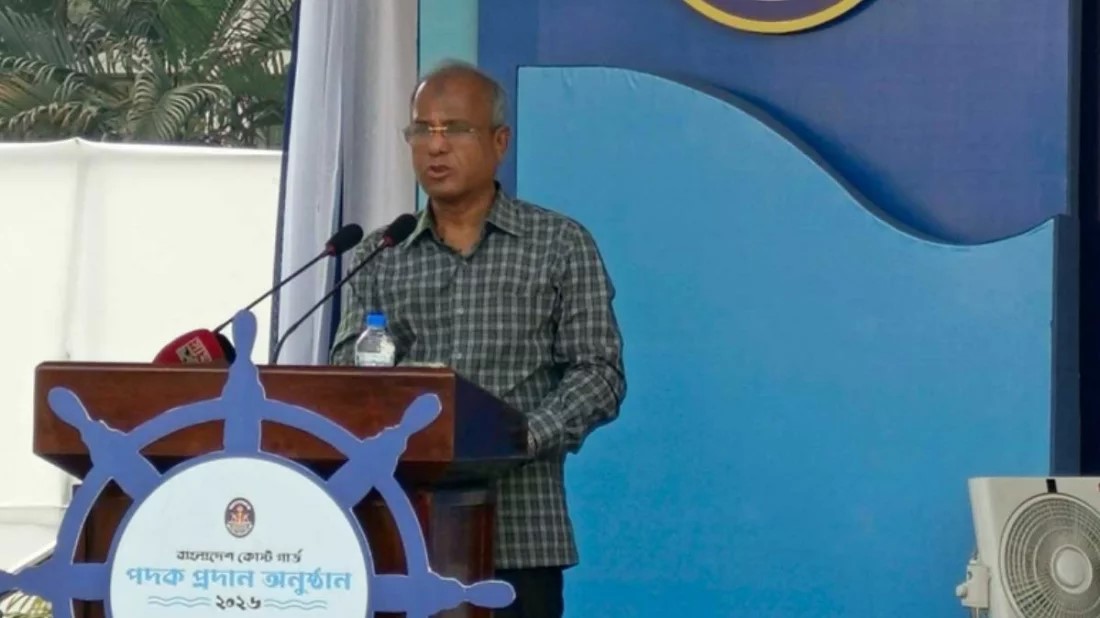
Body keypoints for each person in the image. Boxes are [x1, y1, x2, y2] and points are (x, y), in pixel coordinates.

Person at [330, 59, 626, 618]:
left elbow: (600, 373)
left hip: (522, 533)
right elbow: (349, 368)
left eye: (455, 129)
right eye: (422, 129)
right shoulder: (381, 253)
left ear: (500, 141)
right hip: (403, 531)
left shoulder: (559, 244)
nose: (435, 146)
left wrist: (521, 436)